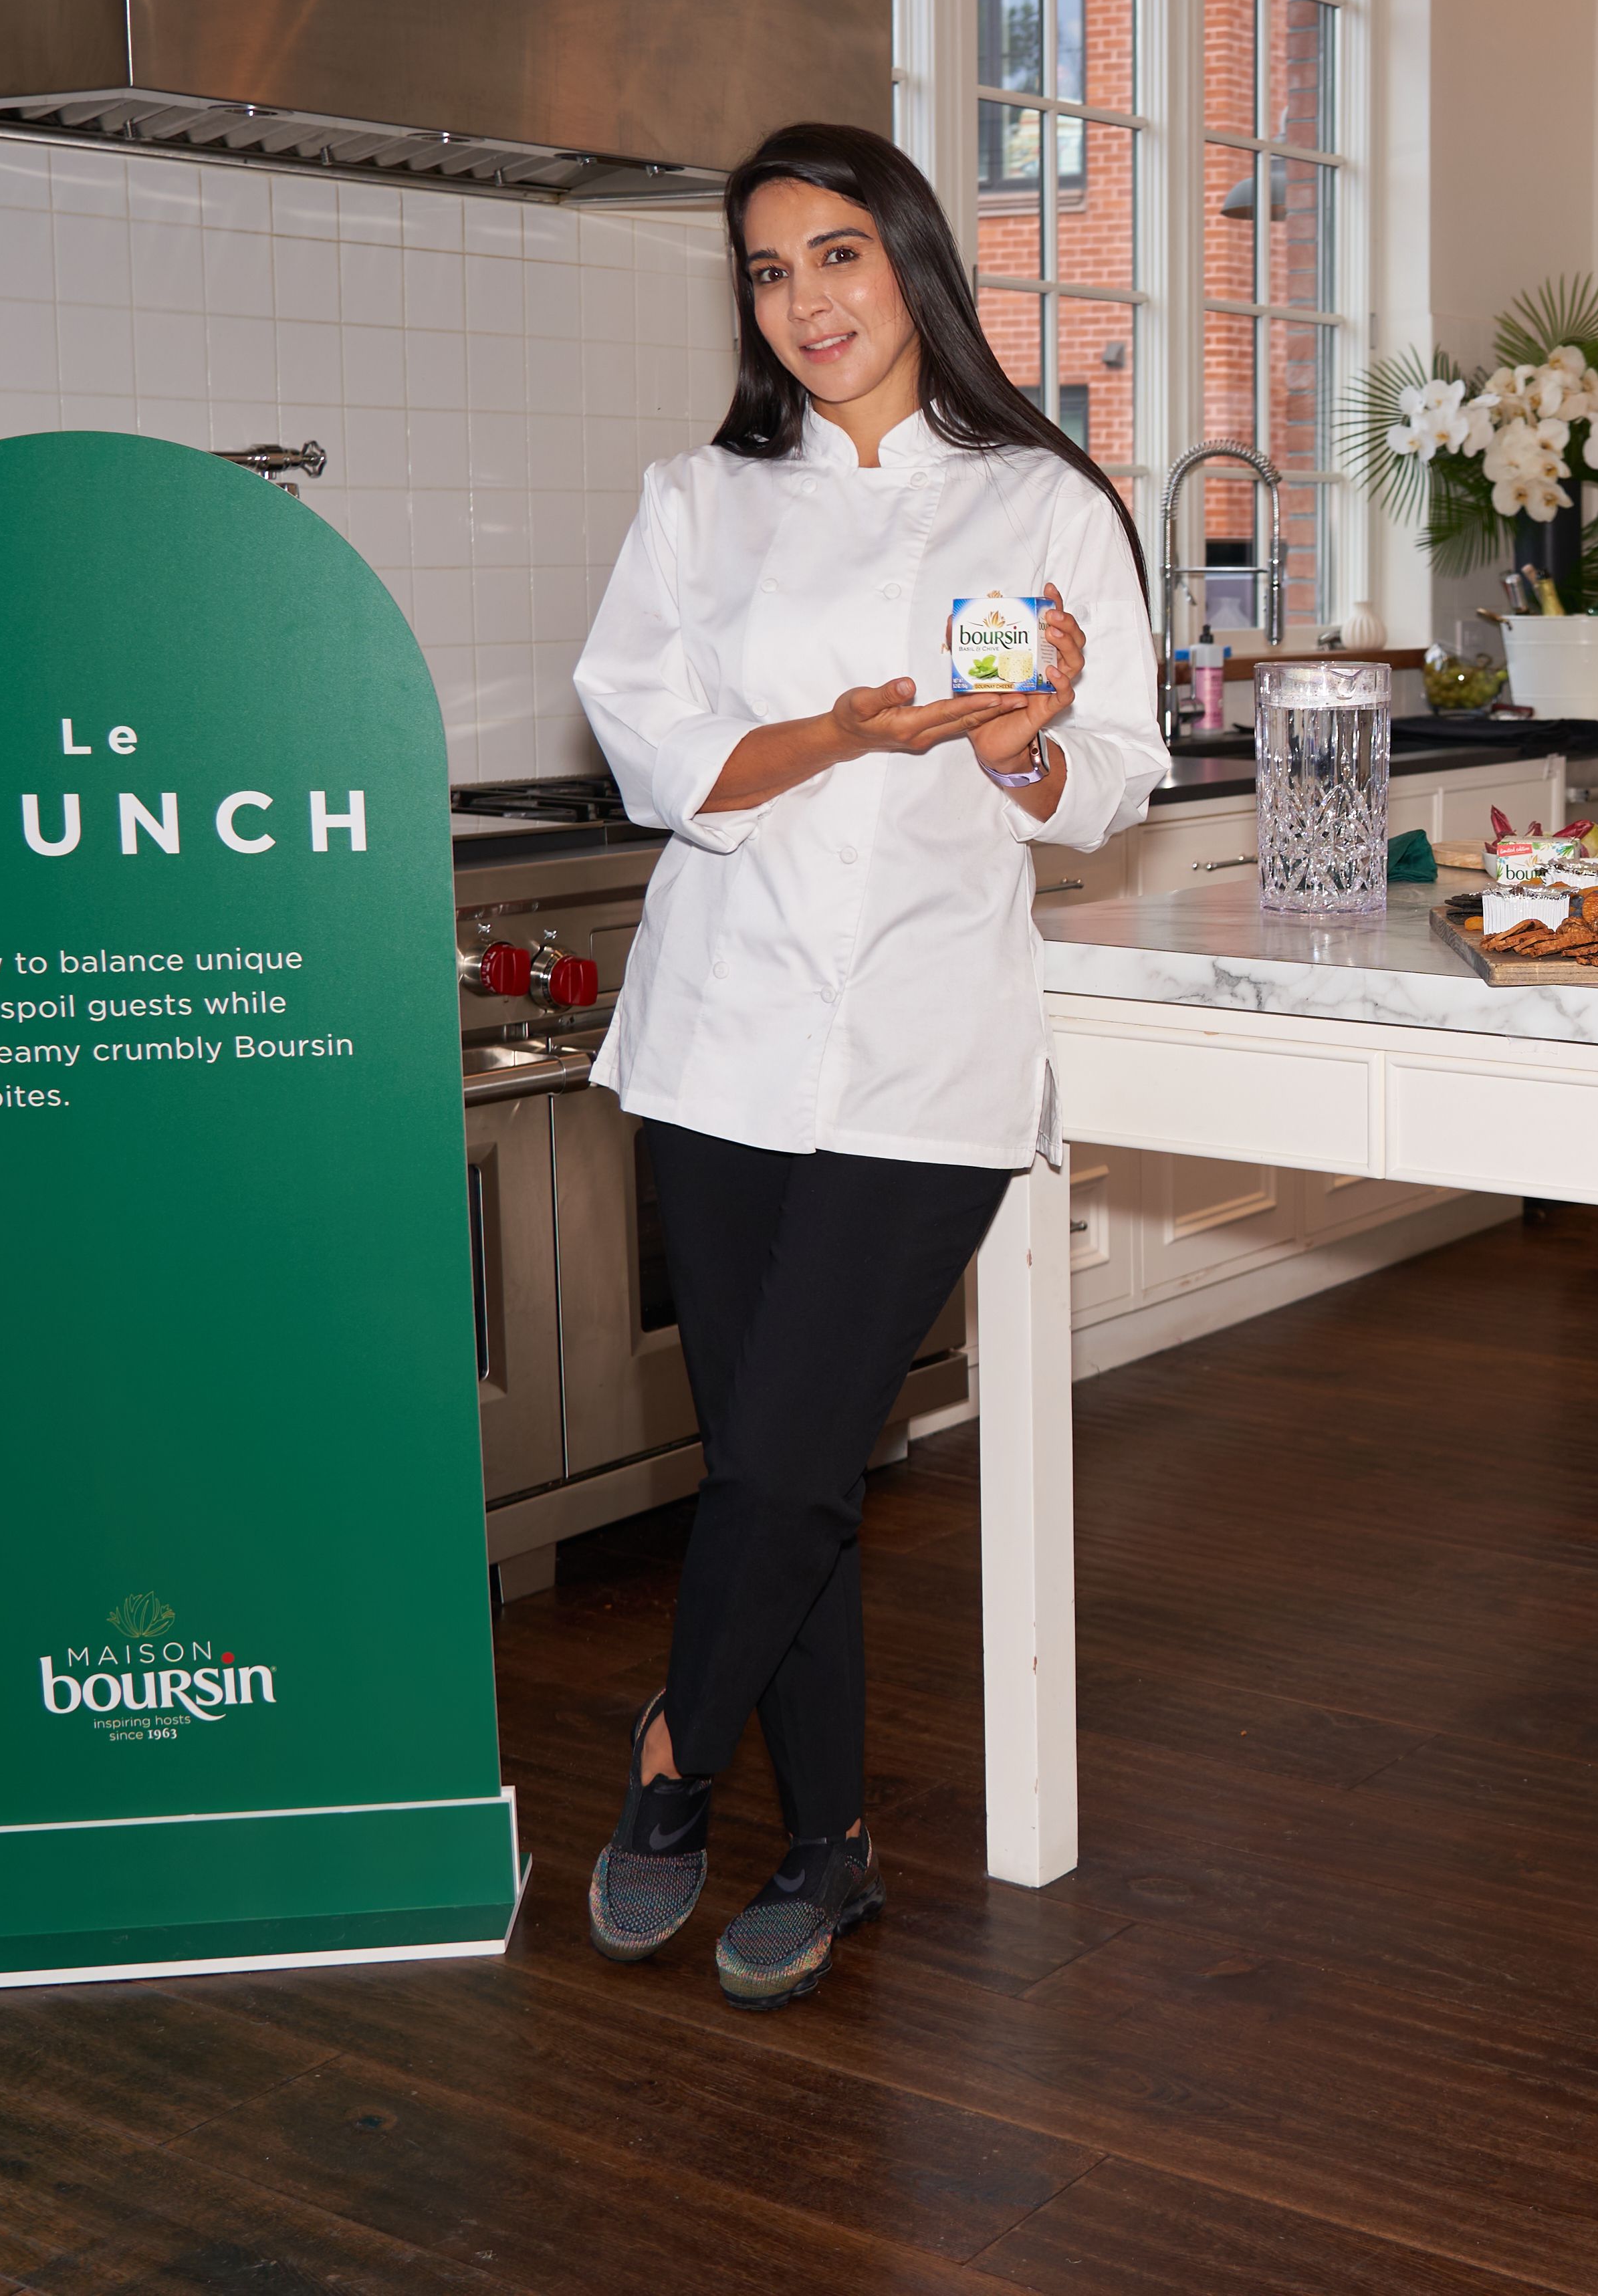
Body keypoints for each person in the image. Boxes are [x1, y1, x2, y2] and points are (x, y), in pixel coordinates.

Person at [571, 120, 1166, 2008]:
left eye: (837, 254)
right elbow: (654, 752)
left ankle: (674, 1763)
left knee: (797, 1451)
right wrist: (833, 732)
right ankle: (827, 1854)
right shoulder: (697, 499)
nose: (808, 301)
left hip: (926, 1046)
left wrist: (1020, 738)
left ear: (912, 260)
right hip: (720, 1035)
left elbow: (1112, 785)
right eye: (768, 271)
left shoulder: (1047, 505)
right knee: (778, 1464)